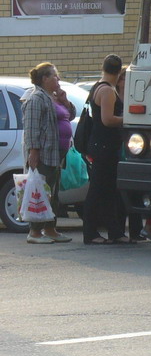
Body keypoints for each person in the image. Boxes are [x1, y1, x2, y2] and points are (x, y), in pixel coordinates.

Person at [19, 63, 73, 243]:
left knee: (52, 193)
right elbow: (32, 128)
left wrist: (64, 100)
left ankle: (50, 229)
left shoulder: (52, 97)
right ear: (44, 79)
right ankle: (34, 232)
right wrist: (34, 153)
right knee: (40, 192)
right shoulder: (36, 99)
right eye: (54, 76)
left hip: (56, 153)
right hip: (43, 154)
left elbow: (70, 115)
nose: (58, 80)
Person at [81, 54, 130, 245]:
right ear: (118, 71)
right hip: (104, 147)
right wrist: (127, 119)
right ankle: (90, 233)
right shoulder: (107, 91)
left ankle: (115, 231)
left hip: (102, 146)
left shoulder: (98, 86)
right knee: (97, 191)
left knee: (109, 190)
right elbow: (107, 119)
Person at [117, 68, 151, 243]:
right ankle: (128, 230)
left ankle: (143, 229)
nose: (127, 83)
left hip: (137, 147)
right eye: (124, 79)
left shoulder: (137, 97)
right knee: (125, 193)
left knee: (144, 190)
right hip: (123, 148)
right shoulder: (116, 98)